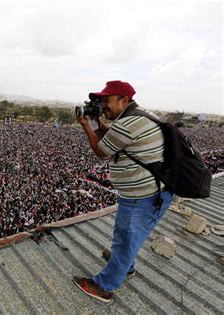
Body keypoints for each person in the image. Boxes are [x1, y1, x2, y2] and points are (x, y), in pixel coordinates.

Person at [73, 80, 173, 303]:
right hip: (151, 193)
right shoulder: (139, 115)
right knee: (126, 237)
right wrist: (98, 123)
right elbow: (114, 139)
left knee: (127, 238)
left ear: (124, 100)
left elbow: (102, 151)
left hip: (143, 197)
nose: (103, 106)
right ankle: (125, 265)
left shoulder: (128, 123)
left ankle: (103, 286)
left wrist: (87, 126)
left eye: (106, 101)